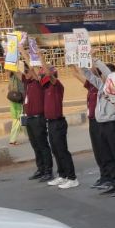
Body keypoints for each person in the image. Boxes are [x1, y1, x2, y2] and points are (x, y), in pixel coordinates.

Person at [84, 58, 115, 196]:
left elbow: (108, 74)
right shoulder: (101, 86)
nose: (101, 76)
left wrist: (96, 60)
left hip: (113, 125)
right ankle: (114, 182)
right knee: (108, 155)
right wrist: (82, 60)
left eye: (103, 74)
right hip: (102, 125)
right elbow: (88, 74)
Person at [38, 53, 77, 189]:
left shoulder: (57, 85)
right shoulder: (46, 87)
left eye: (45, 72)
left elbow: (48, 74)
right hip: (50, 123)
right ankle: (62, 175)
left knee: (62, 150)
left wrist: (41, 58)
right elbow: (37, 73)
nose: (42, 74)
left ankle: (72, 178)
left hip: (58, 123)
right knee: (55, 150)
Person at [71, 64, 111, 188]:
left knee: (103, 150)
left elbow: (97, 73)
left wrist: (93, 62)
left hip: (100, 121)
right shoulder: (91, 85)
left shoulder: (102, 85)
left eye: (92, 68)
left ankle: (109, 177)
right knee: (97, 151)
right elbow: (76, 74)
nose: (90, 69)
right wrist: (72, 63)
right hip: (92, 121)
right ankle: (103, 175)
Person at [19, 48, 52, 182]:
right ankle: (41, 169)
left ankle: (48, 171)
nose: (26, 73)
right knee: (35, 145)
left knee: (42, 145)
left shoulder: (39, 82)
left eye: (28, 71)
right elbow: (15, 71)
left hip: (39, 118)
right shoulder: (28, 83)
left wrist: (22, 51)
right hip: (30, 119)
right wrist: (9, 54)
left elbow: (33, 67)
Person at [7, 69, 25, 146]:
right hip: (18, 99)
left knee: (20, 118)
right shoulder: (19, 76)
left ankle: (31, 136)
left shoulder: (11, 77)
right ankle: (13, 140)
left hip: (13, 99)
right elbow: (22, 89)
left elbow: (9, 88)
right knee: (18, 119)